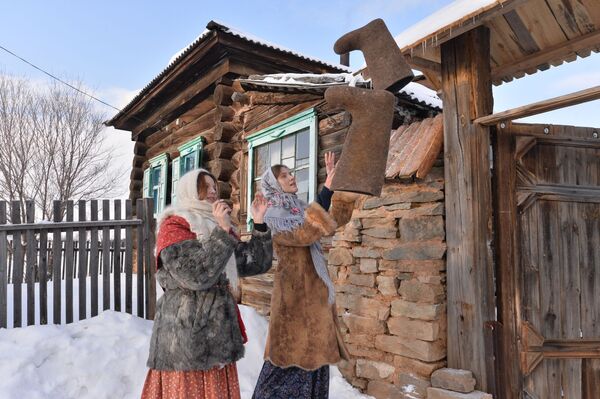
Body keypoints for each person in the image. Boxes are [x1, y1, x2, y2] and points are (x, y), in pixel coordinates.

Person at [141, 168, 273, 399]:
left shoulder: (216, 226)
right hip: (186, 338)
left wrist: (260, 224)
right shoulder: (173, 226)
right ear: (191, 191)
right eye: (206, 187)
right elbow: (195, 276)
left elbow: (254, 263)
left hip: (218, 335)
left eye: (214, 187)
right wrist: (222, 232)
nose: (214, 192)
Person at [252, 152, 359, 399]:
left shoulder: (299, 208)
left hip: (314, 301)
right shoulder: (273, 215)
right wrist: (327, 190)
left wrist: (337, 185)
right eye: (285, 175)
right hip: (294, 303)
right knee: (286, 364)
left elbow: (331, 220)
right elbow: (305, 232)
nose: (292, 177)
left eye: (291, 173)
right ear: (273, 184)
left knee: (315, 365)